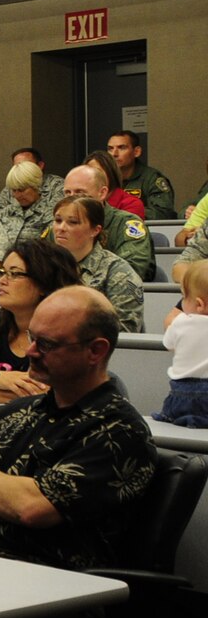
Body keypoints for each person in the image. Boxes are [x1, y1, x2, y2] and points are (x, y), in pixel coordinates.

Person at [0, 287, 155, 584]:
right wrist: (13, 496)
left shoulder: (119, 430)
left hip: (52, 589)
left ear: (95, 351)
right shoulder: (11, 414)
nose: (30, 352)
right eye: (33, 338)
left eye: (46, 344)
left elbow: (32, 510)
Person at [0, 238, 80, 404]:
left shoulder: (63, 335)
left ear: (44, 283)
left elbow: (42, 396)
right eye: (3, 272)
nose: (2, 281)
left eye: (15, 274)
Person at [50, 194, 145, 333]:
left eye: (73, 222)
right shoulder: (43, 265)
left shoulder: (118, 272)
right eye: (58, 220)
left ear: (95, 230)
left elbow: (125, 331)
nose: (61, 228)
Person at [55, 161, 154, 280]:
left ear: (102, 193)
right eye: (67, 193)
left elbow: (130, 271)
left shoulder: (126, 224)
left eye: (80, 193)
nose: (72, 198)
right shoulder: (59, 226)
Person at [157, 261, 208, 428]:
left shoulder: (180, 322)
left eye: (184, 297)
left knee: (172, 418)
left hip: (181, 394)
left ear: (199, 304)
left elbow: (168, 344)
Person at [103, 130, 174, 220]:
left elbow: (163, 213)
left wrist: (128, 211)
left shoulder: (152, 178)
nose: (114, 154)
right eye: (110, 149)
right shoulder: (102, 178)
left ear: (136, 152)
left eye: (122, 148)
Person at [0, 147, 64, 222]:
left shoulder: (57, 185)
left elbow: (57, 215)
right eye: (17, 166)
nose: (21, 169)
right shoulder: (11, 187)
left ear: (40, 165)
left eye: (27, 165)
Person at [0, 160, 54, 245]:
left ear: (35, 186)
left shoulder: (49, 214)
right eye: (14, 190)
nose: (17, 195)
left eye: (21, 190)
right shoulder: (5, 213)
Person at [84, 147, 145, 218]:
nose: (92, 176)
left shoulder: (131, 203)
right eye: (87, 172)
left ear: (111, 173)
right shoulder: (79, 199)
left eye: (97, 171)